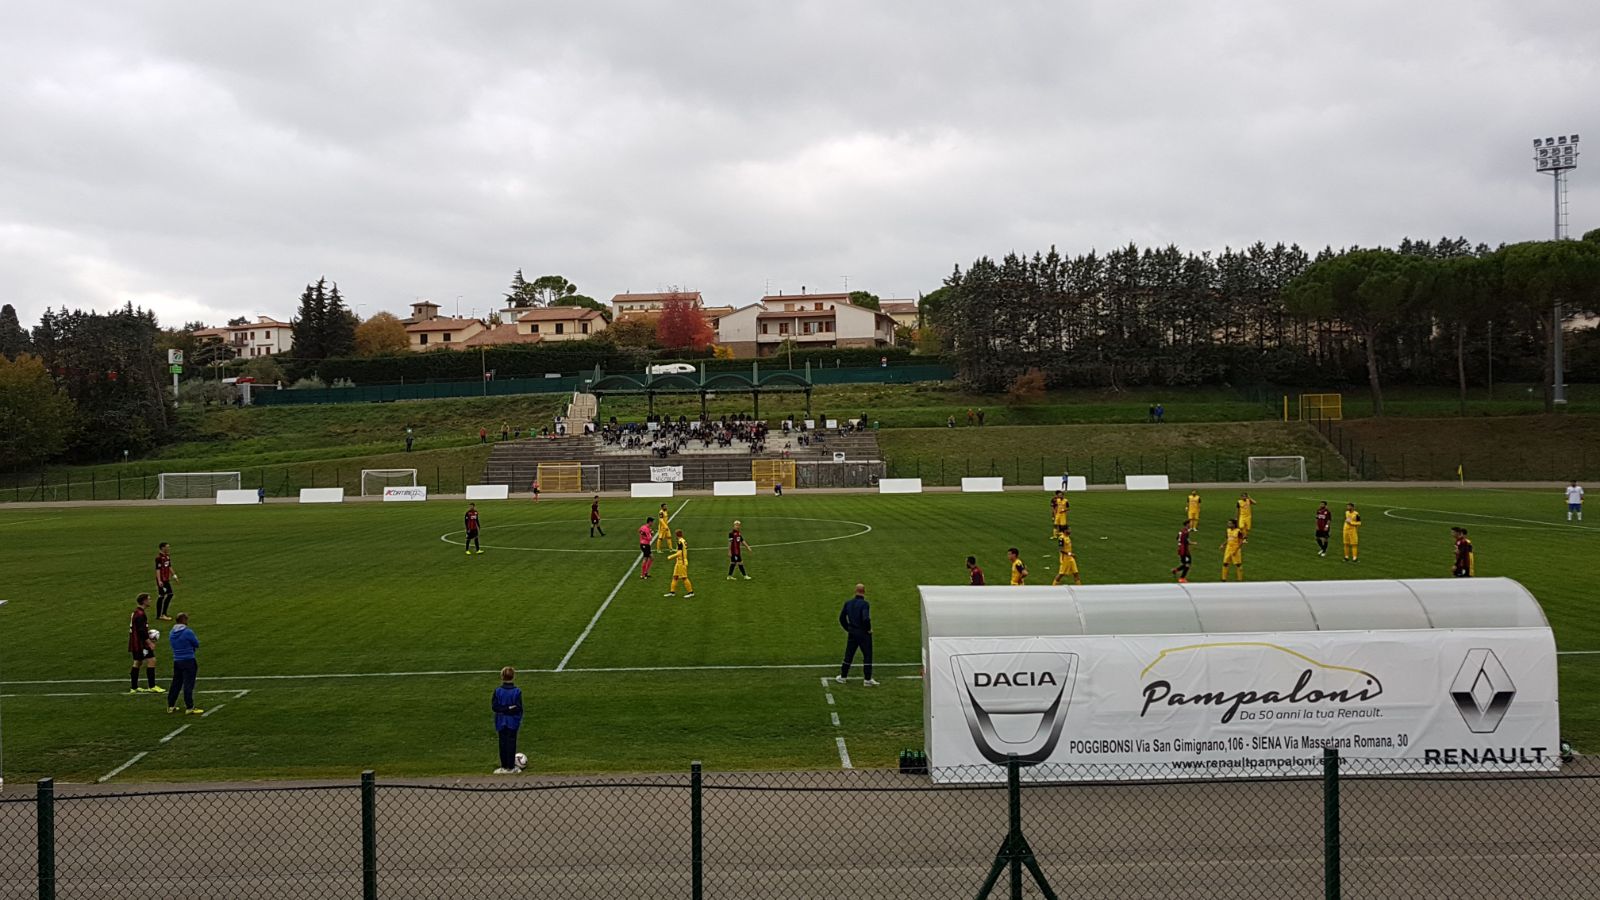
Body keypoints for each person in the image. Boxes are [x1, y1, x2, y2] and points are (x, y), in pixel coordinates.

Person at [836, 584, 877, 686]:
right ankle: (867, 679)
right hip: (863, 633)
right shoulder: (865, 604)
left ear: (855, 591)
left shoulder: (848, 603)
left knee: (849, 654)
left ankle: (843, 676)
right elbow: (866, 618)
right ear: (864, 592)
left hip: (852, 633)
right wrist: (868, 629)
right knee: (867, 655)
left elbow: (842, 618)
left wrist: (848, 628)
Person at [165, 613, 202, 715]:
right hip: (189, 660)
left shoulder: (172, 633)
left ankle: (170, 706)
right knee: (188, 684)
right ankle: (189, 707)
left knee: (176, 683)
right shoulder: (187, 632)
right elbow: (196, 644)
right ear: (184, 620)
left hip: (177, 661)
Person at [128, 593, 163, 694]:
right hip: (140, 643)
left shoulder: (136, 612)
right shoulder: (140, 614)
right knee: (152, 660)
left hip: (134, 642)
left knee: (137, 662)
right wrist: (149, 642)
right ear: (144, 601)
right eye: (149, 599)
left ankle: (134, 687)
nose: (150, 601)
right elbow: (141, 631)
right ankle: (152, 686)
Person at [492, 666, 524, 775]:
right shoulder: (517, 691)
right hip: (512, 722)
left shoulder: (498, 691)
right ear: (513, 676)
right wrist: (510, 708)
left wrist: (504, 709)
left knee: (503, 743)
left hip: (501, 721)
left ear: (502, 677)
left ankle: (504, 766)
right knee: (511, 743)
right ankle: (511, 767)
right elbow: (518, 708)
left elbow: (495, 707)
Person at [665, 530, 694, 598]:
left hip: (682, 562)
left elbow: (679, 553)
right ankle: (672, 592)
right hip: (679, 562)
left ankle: (691, 592)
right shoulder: (683, 540)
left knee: (684, 577)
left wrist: (671, 557)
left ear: (676, 535)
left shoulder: (680, 542)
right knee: (675, 577)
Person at [155, 542, 178, 621]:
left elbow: (169, 566)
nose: (169, 548)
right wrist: (159, 581)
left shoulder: (167, 556)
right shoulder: (159, 558)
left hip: (166, 579)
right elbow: (157, 570)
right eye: (167, 547)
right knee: (161, 596)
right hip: (162, 580)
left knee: (170, 594)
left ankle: (162, 614)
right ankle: (160, 615)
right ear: (162, 548)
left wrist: (174, 576)